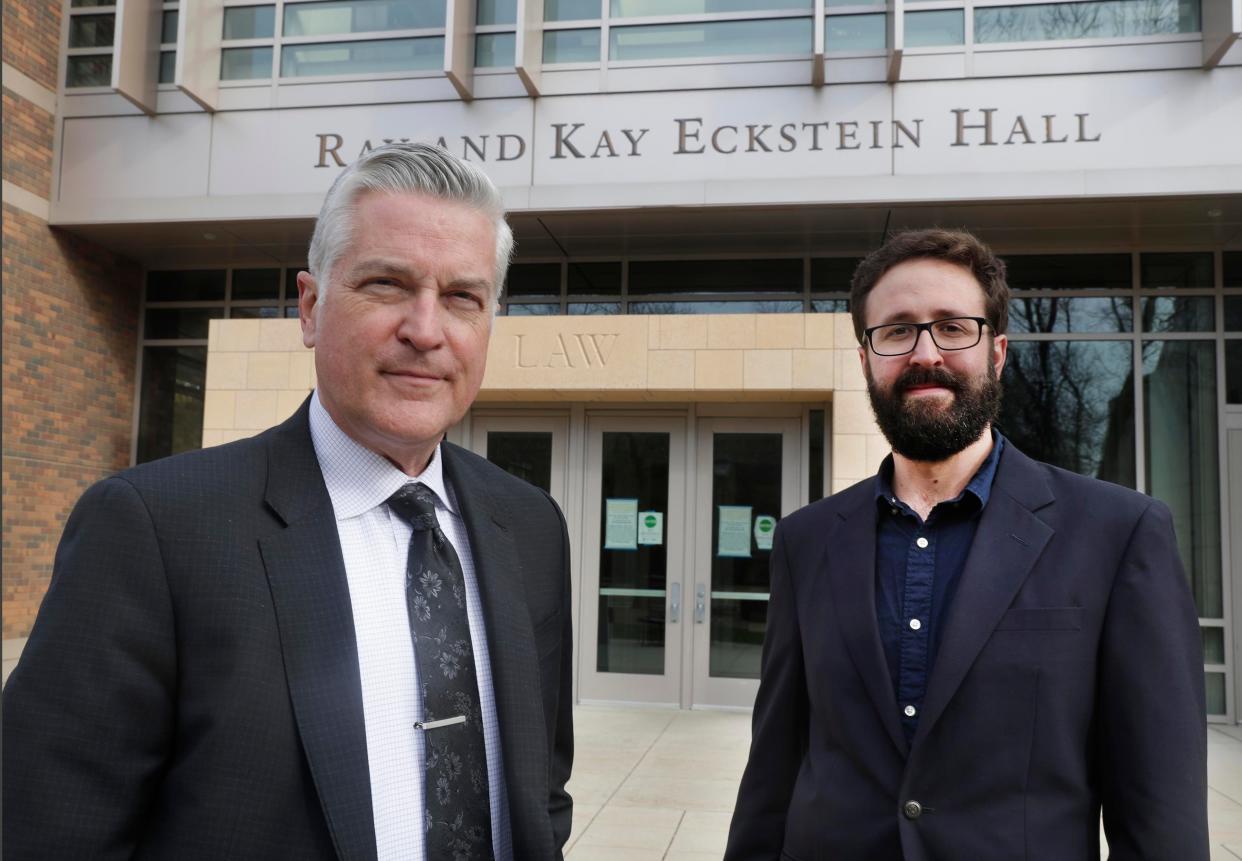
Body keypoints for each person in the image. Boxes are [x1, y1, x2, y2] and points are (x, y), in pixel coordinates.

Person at [3, 142, 574, 860]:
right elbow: (52, 828)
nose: (426, 330)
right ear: (310, 306)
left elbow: (540, 786)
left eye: (462, 297)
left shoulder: (530, 525)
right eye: (388, 284)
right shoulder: (153, 529)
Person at [725, 229, 1208, 860]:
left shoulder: (1118, 533)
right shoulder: (806, 540)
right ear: (867, 358)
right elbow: (774, 771)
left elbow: (1160, 807)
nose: (925, 352)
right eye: (896, 330)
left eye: (954, 327)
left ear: (998, 352)